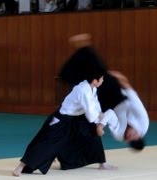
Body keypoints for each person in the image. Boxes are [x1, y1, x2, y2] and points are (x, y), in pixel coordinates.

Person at [12, 38, 117, 176]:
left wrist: (99, 117)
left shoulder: (92, 88)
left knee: (92, 134)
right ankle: (20, 167)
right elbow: (90, 112)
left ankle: (102, 163)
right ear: (95, 80)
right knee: (46, 142)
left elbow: (94, 105)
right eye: (101, 78)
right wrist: (99, 122)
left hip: (77, 119)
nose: (103, 81)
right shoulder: (83, 90)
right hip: (62, 120)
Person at [98, 71, 149, 149]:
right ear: (139, 135)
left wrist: (100, 126)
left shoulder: (119, 136)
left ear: (127, 141)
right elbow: (134, 97)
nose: (130, 133)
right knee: (105, 78)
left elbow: (110, 114)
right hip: (121, 99)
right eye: (134, 134)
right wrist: (120, 77)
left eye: (129, 136)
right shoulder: (143, 122)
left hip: (109, 107)